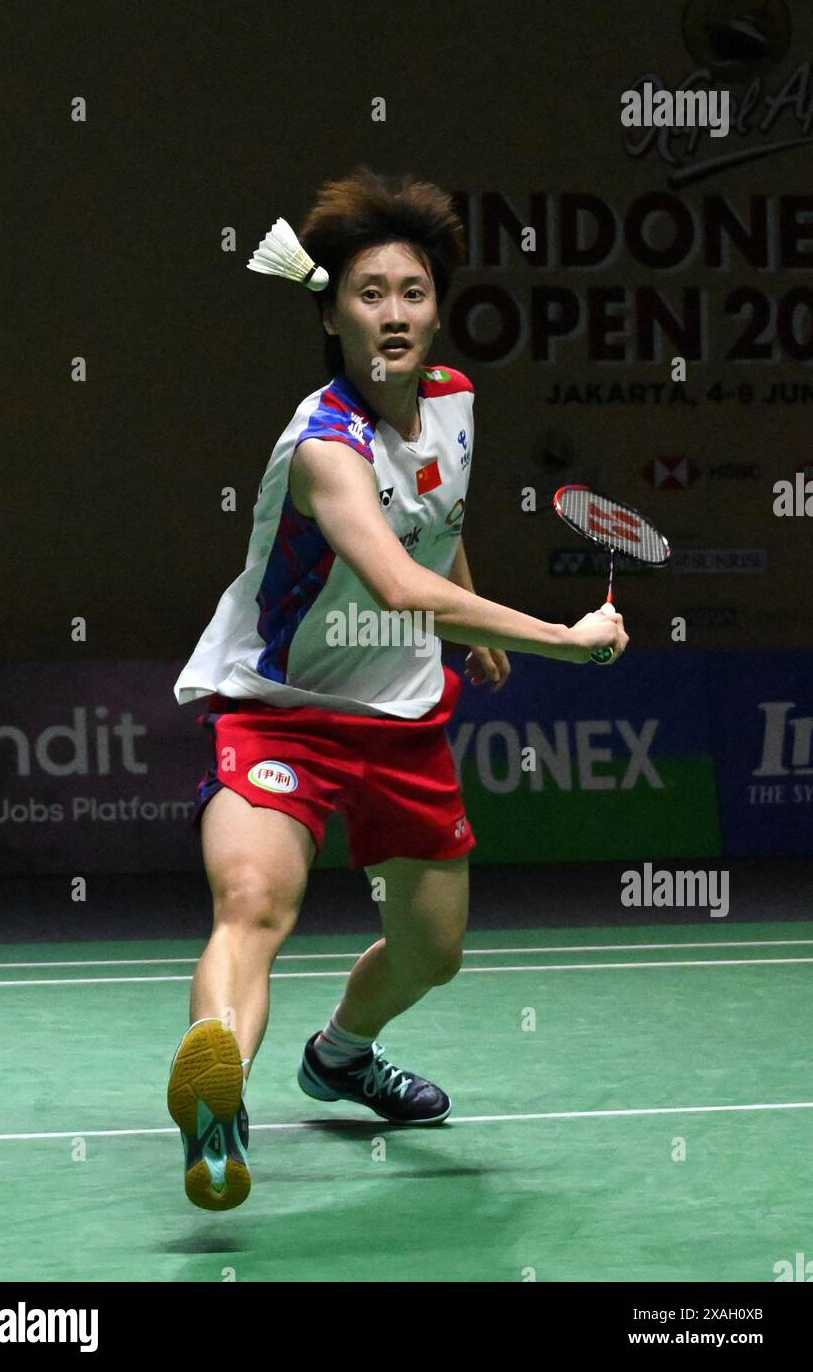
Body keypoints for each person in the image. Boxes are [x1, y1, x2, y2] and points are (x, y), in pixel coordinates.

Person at [167, 165, 628, 1211]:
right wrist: (563, 636)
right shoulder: (324, 444)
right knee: (251, 903)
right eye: (368, 293)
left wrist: (467, 619)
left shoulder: (456, 403)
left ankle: (339, 1055)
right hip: (277, 706)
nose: (392, 312)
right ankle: (215, 1110)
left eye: (411, 291)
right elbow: (394, 577)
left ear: (435, 309)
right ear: (331, 314)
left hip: (402, 716)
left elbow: (435, 521)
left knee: (433, 950)